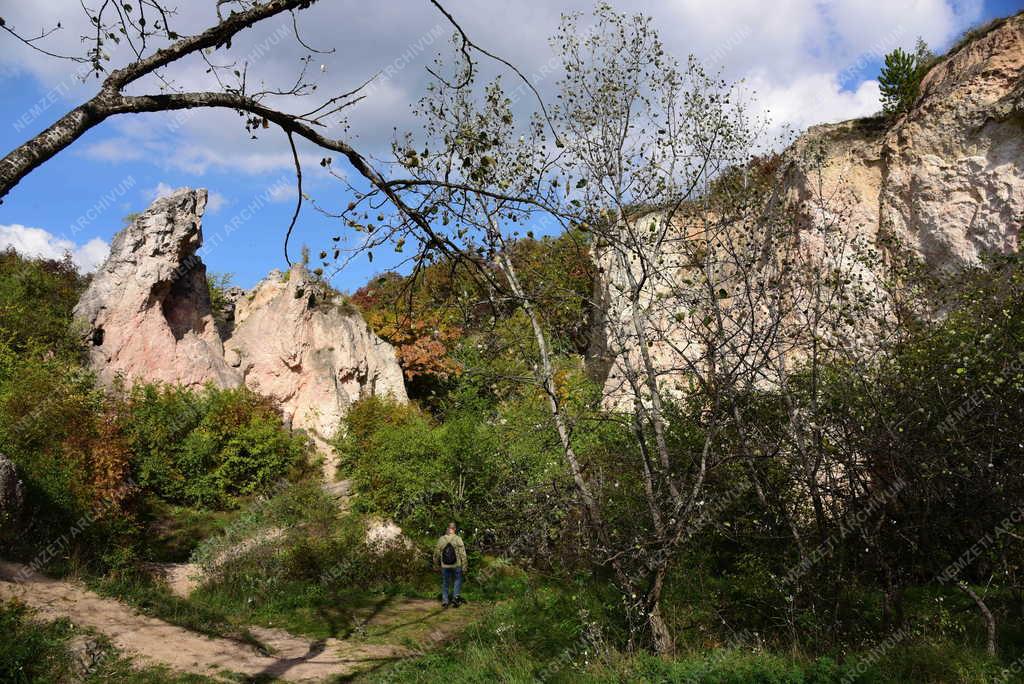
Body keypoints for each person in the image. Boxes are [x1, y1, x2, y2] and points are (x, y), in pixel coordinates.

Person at [433, 521, 467, 608]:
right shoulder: (458, 539)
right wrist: (464, 566)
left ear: (448, 528)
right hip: (457, 565)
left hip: (445, 565)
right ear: (455, 529)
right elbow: (463, 553)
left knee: (445, 582)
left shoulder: (441, 539)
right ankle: (455, 598)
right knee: (457, 581)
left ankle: (445, 600)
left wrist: (436, 564)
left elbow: (436, 553)